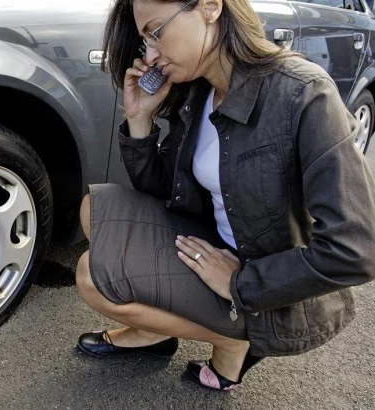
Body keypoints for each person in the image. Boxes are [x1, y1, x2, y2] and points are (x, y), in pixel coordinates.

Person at [74, 0, 375, 391]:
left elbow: (357, 248)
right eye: (144, 41)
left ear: (211, 7)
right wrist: (140, 119)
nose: (150, 54)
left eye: (155, 32)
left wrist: (241, 282)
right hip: (213, 245)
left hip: (268, 289)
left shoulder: (304, 93)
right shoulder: (199, 91)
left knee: (91, 277)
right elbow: (163, 196)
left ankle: (232, 339)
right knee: (94, 210)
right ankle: (156, 331)